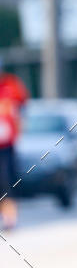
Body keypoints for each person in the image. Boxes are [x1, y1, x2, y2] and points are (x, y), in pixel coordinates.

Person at [0, 97, 21, 230]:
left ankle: (9, 219)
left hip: (6, 152)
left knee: (6, 185)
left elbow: (14, 129)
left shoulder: (7, 107)